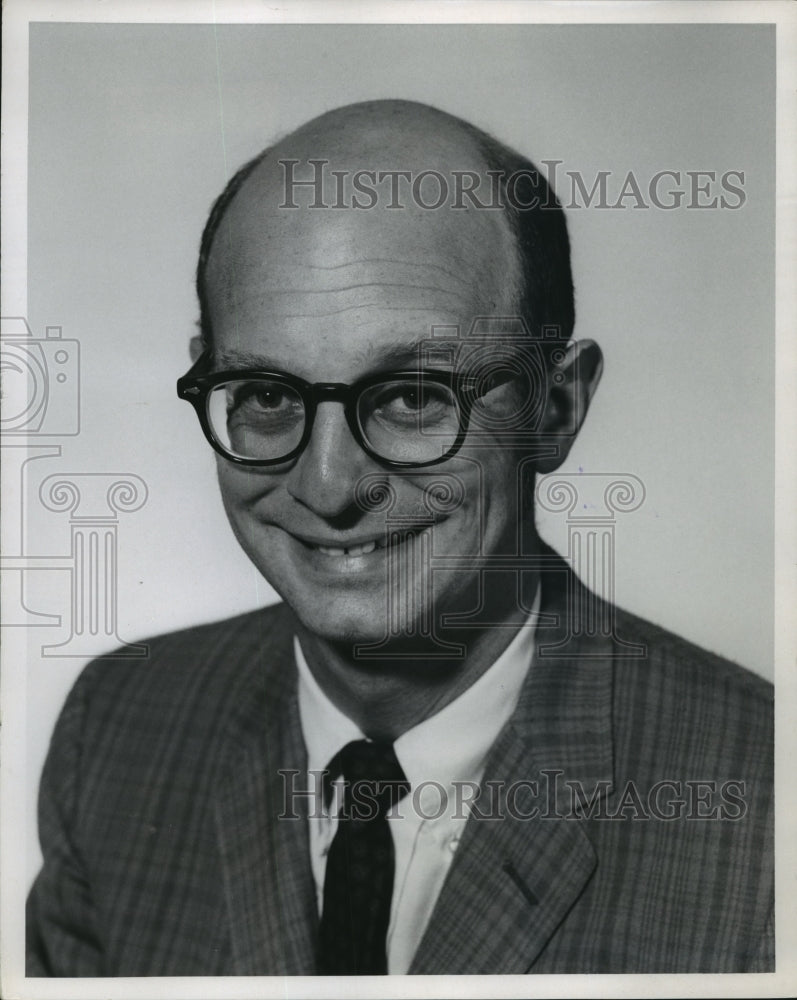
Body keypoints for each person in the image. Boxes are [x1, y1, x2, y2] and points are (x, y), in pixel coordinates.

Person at [26, 100, 773, 977]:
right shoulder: (116, 730)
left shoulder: (766, 807)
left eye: (413, 396)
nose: (328, 486)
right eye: (267, 395)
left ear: (555, 407)